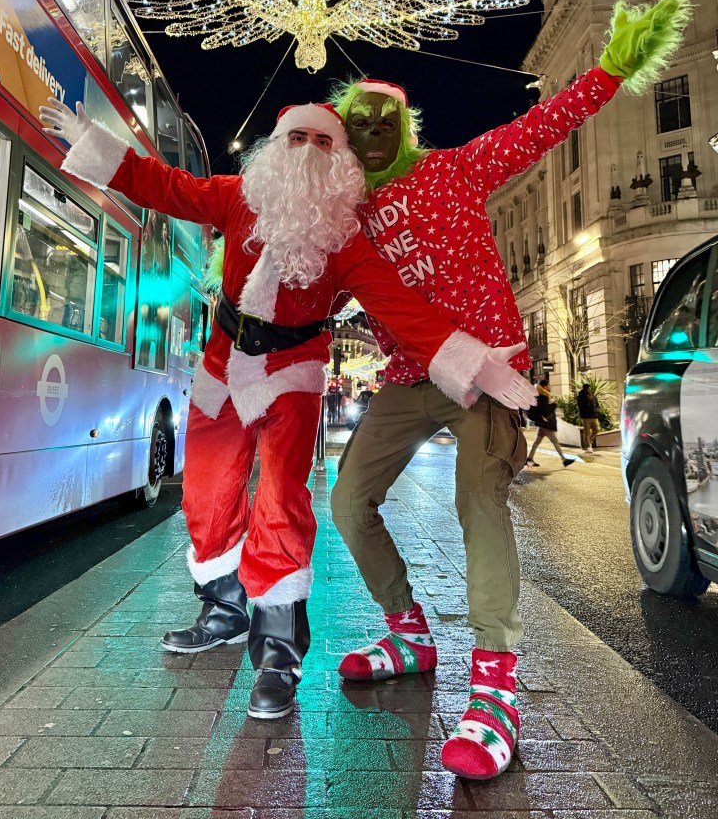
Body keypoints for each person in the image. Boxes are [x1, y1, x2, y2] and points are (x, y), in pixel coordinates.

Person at [39, 96, 535, 721]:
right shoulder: (235, 197)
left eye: (324, 143)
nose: (308, 151)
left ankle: (278, 649)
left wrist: (474, 359)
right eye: (296, 138)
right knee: (208, 497)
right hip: (223, 360)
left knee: (279, 498)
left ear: (341, 160)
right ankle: (221, 608)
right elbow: (163, 186)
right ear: (275, 147)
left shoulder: (346, 239)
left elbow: (398, 306)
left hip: (294, 371)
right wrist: (96, 143)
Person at [326, 0, 691, 780]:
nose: (375, 128)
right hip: (408, 375)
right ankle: (407, 630)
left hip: (487, 368)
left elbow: (541, 128)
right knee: (348, 498)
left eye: (387, 115)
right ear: (345, 134)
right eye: (360, 118)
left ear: (408, 125)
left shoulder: (453, 170)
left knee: (477, 499)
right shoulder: (348, 216)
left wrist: (607, 71)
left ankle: (494, 684)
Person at [525, 380, 576, 468]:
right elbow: (545, 411)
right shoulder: (543, 398)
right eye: (549, 385)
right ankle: (564, 460)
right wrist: (554, 405)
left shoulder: (540, 397)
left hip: (543, 423)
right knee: (555, 441)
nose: (550, 387)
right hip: (546, 424)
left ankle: (529, 458)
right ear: (544, 387)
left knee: (537, 442)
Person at [577, 382, 600, 452]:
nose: (589, 390)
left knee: (597, 430)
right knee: (587, 432)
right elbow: (581, 406)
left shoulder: (593, 397)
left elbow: (597, 405)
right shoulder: (580, 397)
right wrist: (587, 400)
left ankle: (589, 441)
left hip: (594, 416)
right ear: (584, 389)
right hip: (586, 417)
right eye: (587, 389)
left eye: (589, 389)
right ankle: (588, 447)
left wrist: (597, 411)